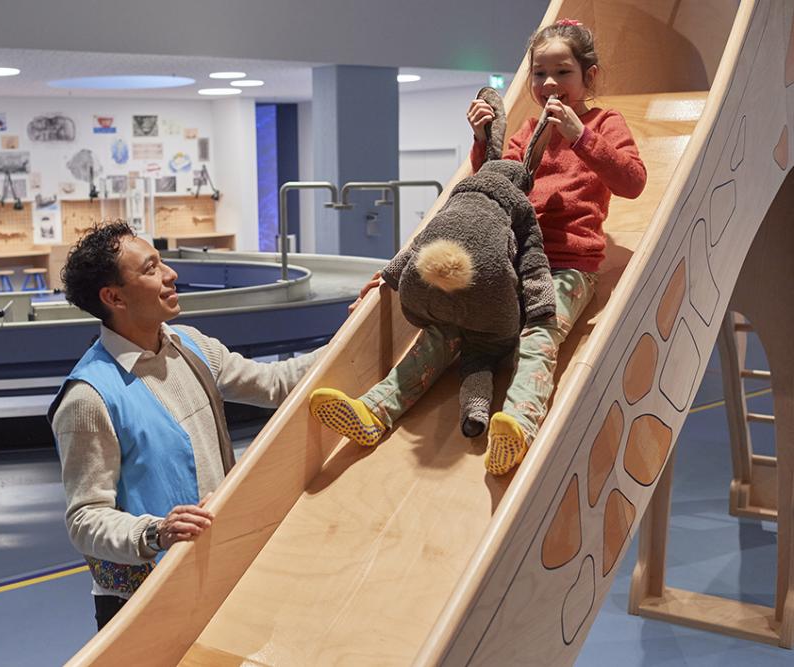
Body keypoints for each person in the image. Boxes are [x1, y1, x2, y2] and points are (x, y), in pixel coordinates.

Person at [309, 19, 646, 477]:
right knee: (446, 327)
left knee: (540, 332)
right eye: (539, 73)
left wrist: (581, 136)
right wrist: (481, 139)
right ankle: (375, 411)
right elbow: (494, 187)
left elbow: (632, 181)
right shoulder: (529, 131)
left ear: (590, 77)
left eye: (562, 72)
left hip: (565, 266)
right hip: (505, 260)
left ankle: (519, 424)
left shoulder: (604, 123)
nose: (549, 83)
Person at [48, 221, 320, 631]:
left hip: (217, 572)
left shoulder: (189, 345)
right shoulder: (89, 397)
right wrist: (156, 532)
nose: (171, 274)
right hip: (143, 600)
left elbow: (277, 383)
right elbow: (86, 518)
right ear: (113, 297)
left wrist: (359, 328)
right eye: (151, 268)